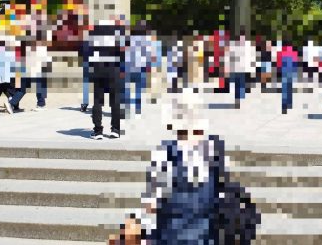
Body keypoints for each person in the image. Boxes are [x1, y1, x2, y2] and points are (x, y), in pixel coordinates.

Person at [109, 86, 260, 244]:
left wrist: (138, 221)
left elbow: (151, 204)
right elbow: (222, 188)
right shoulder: (215, 150)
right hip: (207, 237)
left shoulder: (164, 153)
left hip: (171, 237)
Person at [82, 17, 126, 140]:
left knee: (98, 101)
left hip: (98, 68)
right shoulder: (118, 32)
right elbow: (123, 52)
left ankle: (98, 131)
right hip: (114, 68)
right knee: (115, 101)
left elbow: (86, 52)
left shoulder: (93, 32)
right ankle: (115, 129)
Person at [224, 30, 256, 108]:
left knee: (239, 84)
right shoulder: (247, 45)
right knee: (240, 84)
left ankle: (238, 100)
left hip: (238, 68)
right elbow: (251, 58)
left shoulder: (234, 45)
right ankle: (239, 99)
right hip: (241, 68)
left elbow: (228, 57)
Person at [276, 39, 299, 114]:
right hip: (291, 72)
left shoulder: (280, 53)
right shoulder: (293, 52)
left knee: (284, 89)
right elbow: (295, 63)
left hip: (284, 72)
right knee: (289, 88)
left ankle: (284, 106)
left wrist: (279, 71)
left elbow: (279, 64)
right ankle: (289, 104)